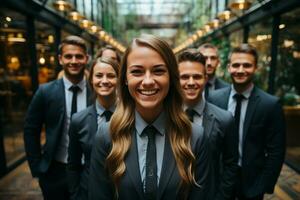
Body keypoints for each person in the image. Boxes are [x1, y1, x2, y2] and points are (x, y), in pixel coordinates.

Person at [88, 34, 209, 200]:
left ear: (171, 78)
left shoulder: (195, 136)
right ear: (124, 79)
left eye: (158, 71)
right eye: (137, 71)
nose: (147, 81)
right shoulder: (107, 135)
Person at [208, 44, 286, 200]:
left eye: (247, 65)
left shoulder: (270, 104)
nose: (241, 70)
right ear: (229, 67)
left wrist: (264, 185)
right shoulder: (214, 99)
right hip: (220, 180)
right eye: (236, 65)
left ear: (255, 68)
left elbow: (276, 151)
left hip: (253, 183)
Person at [24, 35, 92, 200]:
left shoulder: (96, 92)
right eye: (68, 56)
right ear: (60, 59)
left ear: (87, 59)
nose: (73, 61)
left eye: (79, 56)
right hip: (54, 172)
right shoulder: (45, 92)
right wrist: (38, 168)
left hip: (88, 171)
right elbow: (30, 130)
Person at [178, 49, 238, 200]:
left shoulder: (225, 119)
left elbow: (230, 164)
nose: (191, 82)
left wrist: (221, 197)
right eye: (184, 77)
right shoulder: (164, 117)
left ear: (205, 78)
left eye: (197, 76)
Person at [67, 57, 119, 200]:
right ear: (91, 80)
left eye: (111, 76)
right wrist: (75, 195)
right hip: (89, 192)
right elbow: (73, 164)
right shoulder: (79, 120)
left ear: (120, 80)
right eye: (98, 75)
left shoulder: (132, 116)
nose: (104, 80)